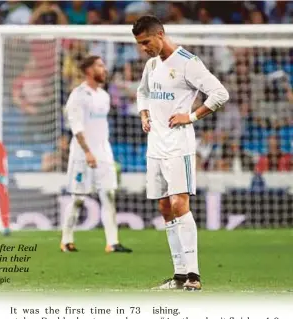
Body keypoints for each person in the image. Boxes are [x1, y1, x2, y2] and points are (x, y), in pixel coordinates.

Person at [132, 15, 229, 291]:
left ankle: (194, 276)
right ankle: (178, 275)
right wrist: (144, 113)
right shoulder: (151, 65)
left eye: (146, 42)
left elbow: (220, 94)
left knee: (179, 203)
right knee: (164, 207)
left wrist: (192, 116)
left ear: (160, 34)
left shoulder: (189, 62)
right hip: (155, 146)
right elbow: (142, 92)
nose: (143, 48)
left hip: (179, 146)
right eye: (139, 44)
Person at [61, 55, 132, 254]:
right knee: (78, 198)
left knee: (109, 194)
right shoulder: (78, 95)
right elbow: (77, 128)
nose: (105, 69)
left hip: (103, 152)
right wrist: (87, 152)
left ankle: (113, 242)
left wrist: (102, 152)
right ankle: (66, 240)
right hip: (82, 154)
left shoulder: (104, 95)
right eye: (100, 66)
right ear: (89, 70)